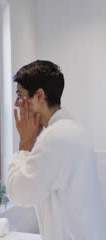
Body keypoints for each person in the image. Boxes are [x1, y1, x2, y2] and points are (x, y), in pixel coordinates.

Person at [7, 60, 105, 239]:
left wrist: (25, 143)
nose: (16, 103)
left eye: (20, 95)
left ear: (39, 96)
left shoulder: (56, 137)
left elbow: (20, 193)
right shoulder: (72, 130)